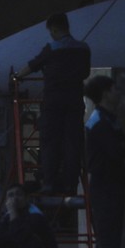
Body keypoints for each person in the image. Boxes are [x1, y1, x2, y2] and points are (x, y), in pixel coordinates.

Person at [24, 13, 92, 195]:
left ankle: (49, 182)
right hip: (75, 103)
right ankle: (71, 184)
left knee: (49, 142)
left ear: (54, 29)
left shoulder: (51, 49)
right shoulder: (83, 48)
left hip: (53, 103)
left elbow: (32, 66)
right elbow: (85, 73)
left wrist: (16, 77)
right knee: (72, 143)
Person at [84, 74, 125, 248]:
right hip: (106, 183)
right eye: (115, 89)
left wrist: (123, 147)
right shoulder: (102, 122)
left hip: (109, 182)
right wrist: (123, 147)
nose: (119, 92)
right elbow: (120, 151)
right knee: (109, 237)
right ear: (105, 93)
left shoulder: (107, 119)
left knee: (107, 236)